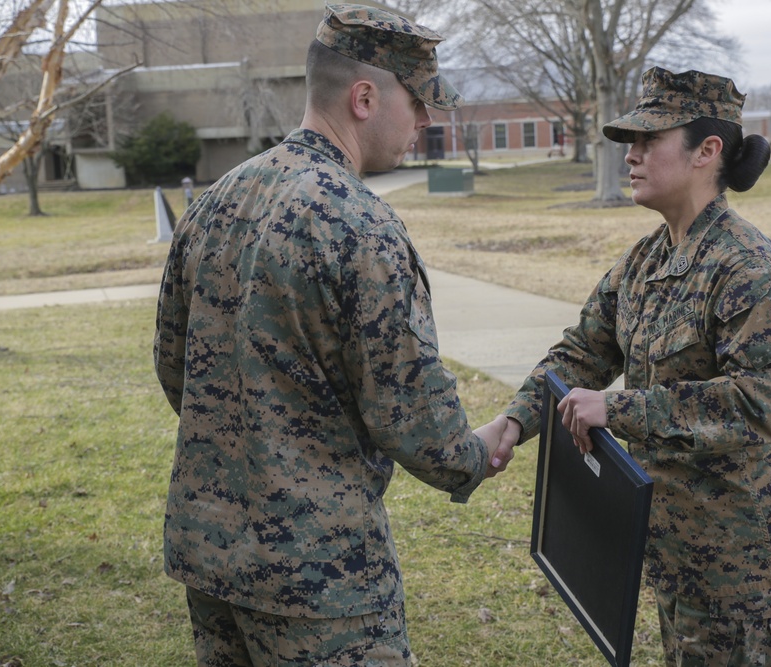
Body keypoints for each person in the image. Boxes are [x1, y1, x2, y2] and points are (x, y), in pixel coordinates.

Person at [153, 5, 511, 665]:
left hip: (213, 559)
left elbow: (176, 367)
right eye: (422, 103)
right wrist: (474, 451)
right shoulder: (358, 224)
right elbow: (419, 423)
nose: (429, 121)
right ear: (365, 97)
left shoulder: (216, 200)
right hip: (321, 576)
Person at [492, 67, 771, 666]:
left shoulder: (750, 270)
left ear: (707, 152)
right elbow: (581, 352)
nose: (630, 156)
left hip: (740, 572)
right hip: (675, 553)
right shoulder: (646, 260)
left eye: (648, 141)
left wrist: (617, 408)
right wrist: (514, 422)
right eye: (629, 142)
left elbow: (762, 403)